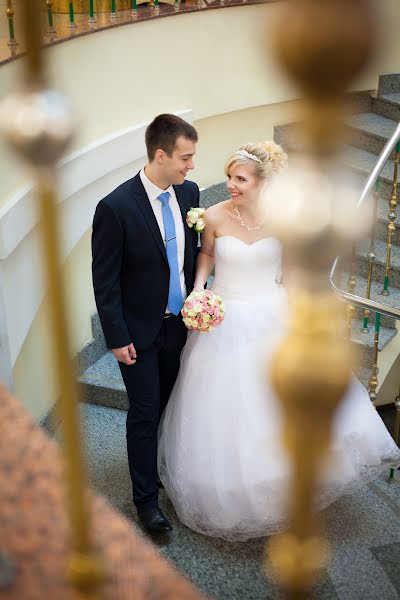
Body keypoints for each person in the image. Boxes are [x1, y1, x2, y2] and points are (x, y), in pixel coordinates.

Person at [158, 140, 400, 541]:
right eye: (229, 177)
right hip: (226, 315)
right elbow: (207, 257)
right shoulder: (214, 215)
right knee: (228, 409)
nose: (231, 185)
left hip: (271, 313)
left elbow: (289, 276)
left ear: (262, 183)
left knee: (278, 402)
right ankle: (234, 490)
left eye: (240, 179)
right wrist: (199, 291)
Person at [92, 114, 199, 534]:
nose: (191, 166)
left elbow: (191, 258)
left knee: (170, 406)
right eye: (185, 157)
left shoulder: (188, 194)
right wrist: (116, 338)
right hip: (137, 333)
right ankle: (145, 501)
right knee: (143, 412)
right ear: (160, 154)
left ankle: (163, 470)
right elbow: (105, 281)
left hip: (180, 326)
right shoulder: (115, 207)